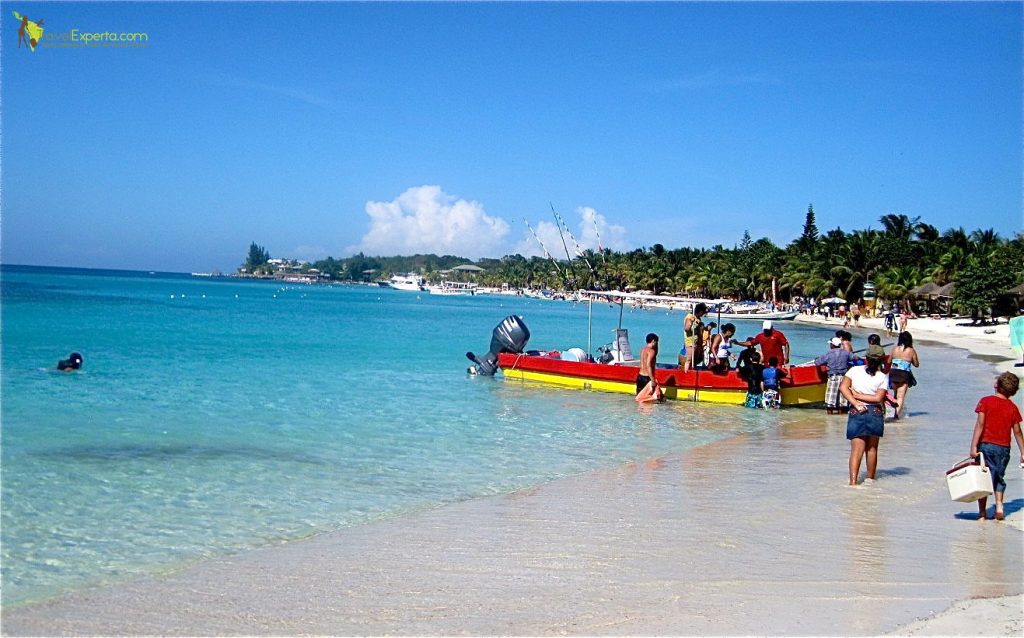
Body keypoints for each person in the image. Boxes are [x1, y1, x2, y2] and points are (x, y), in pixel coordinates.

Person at [970, 372, 1024, 521]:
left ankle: (982, 513)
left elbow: (980, 425)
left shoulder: (985, 402)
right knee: (998, 477)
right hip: (1003, 449)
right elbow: (1017, 431)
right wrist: (1023, 452)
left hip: (985, 446)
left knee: (983, 478)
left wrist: (974, 446)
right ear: (1013, 391)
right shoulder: (1012, 407)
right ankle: (999, 506)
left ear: (996, 385)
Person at [840, 351, 890, 486]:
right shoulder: (883, 376)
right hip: (875, 411)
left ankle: (853, 482)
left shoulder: (854, 370)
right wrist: (858, 397)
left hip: (857, 411)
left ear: (866, 359)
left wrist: (855, 399)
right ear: (881, 361)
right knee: (872, 448)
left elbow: (843, 388)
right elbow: (877, 398)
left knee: (856, 450)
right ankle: (870, 480)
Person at [815, 337, 855, 414]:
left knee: (830, 401)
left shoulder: (829, 353)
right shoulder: (846, 353)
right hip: (844, 378)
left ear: (833, 345)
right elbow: (854, 358)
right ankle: (840, 417)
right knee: (842, 401)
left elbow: (817, 362)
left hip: (833, 377)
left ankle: (830, 418)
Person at [888, 331, 920, 419]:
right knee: (900, 397)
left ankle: (891, 411)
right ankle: (895, 416)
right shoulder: (911, 350)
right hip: (903, 374)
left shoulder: (895, 349)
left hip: (893, 373)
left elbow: (888, 361)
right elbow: (916, 364)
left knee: (895, 395)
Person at [679, 303, 708, 372]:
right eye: (703, 313)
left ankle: (693, 370)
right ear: (700, 312)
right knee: (689, 359)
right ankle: (686, 373)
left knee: (695, 359)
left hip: (696, 341)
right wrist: (691, 322)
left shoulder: (698, 318)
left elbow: (700, 330)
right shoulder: (690, 317)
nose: (703, 315)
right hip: (690, 341)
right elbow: (686, 329)